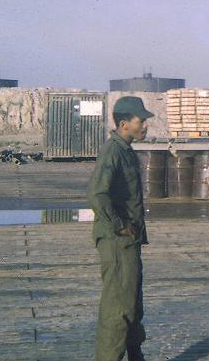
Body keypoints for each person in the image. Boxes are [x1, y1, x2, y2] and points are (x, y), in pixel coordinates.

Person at [87, 96, 154, 361]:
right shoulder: (112, 151)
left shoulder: (125, 150)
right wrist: (120, 226)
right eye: (142, 121)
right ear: (125, 123)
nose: (146, 126)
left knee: (133, 306)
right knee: (118, 310)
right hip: (117, 242)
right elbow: (96, 194)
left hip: (129, 242)